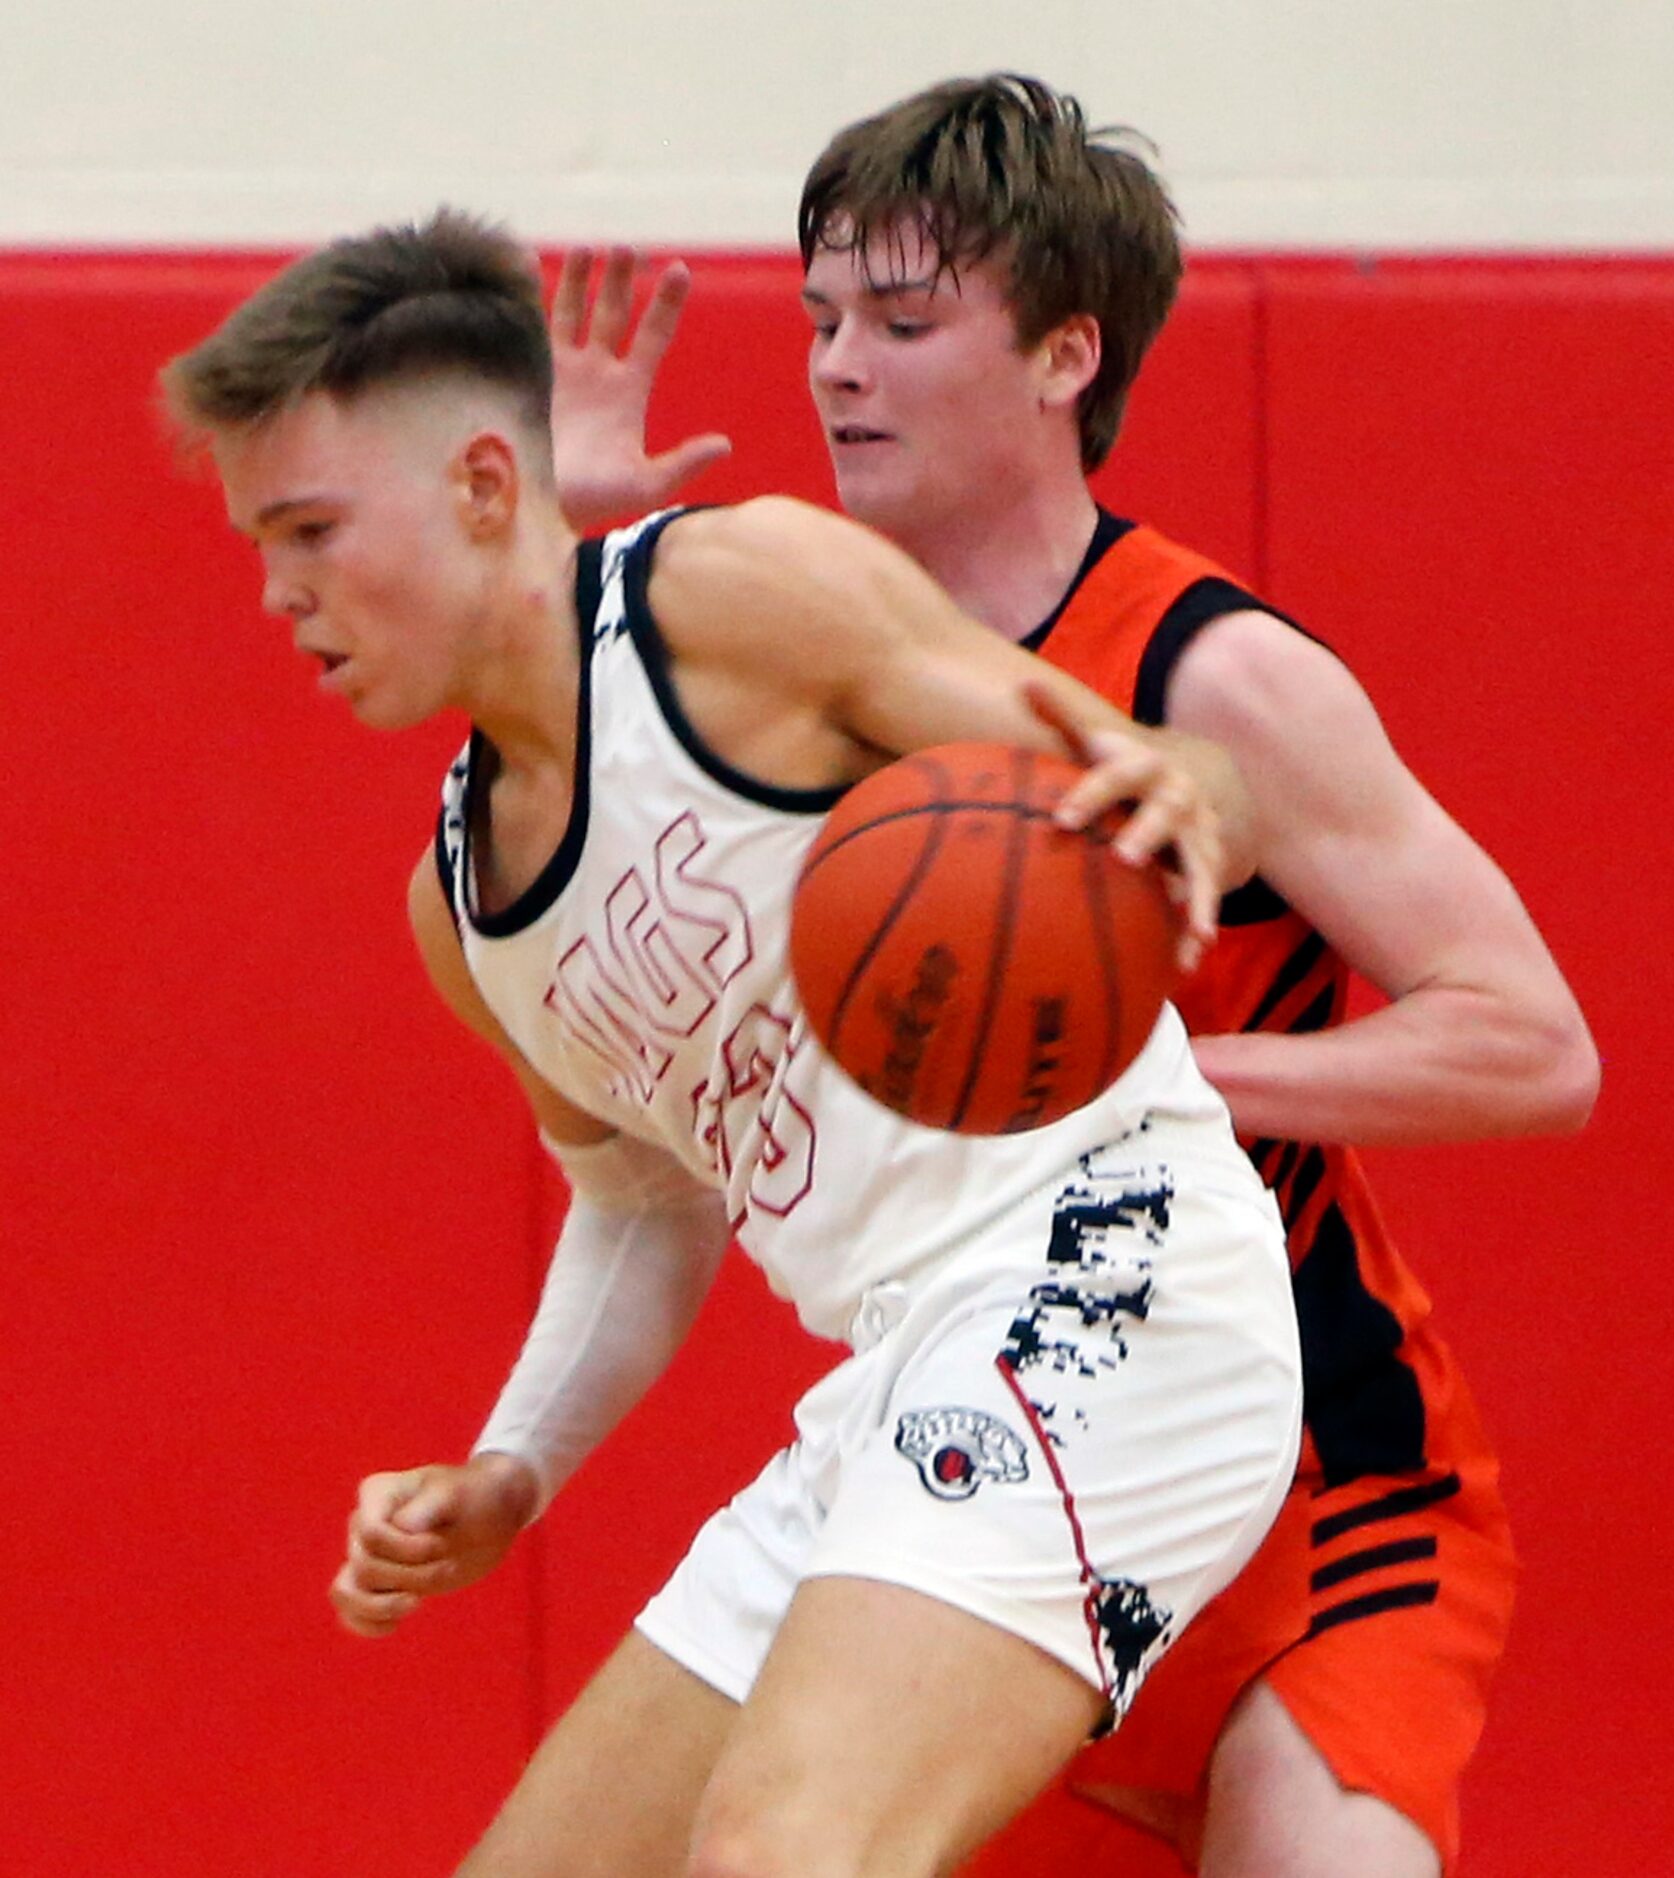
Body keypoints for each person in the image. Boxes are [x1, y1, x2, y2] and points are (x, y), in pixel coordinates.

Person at [162, 209, 1305, 1878]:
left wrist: (1195, 789)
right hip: (902, 1370)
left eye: (312, 529)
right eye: (260, 545)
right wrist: (511, 1468)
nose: (279, 592)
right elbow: (640, 1204)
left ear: (488, 484)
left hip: (1108, 1280)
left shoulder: (729, 596)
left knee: (788, 1854)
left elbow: (1153, 765)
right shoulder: (465, 908)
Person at [543, 76, 1601, 1877]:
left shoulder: (1217, 677)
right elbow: (575, 889)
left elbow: (1533, 1045)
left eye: (902, 318)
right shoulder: (793, 673)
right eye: (818, 320)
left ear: (1062, 355)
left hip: (1319, 1473)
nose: (835, 368)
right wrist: (585, 592)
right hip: (999, 1443)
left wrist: (1133, 1072)